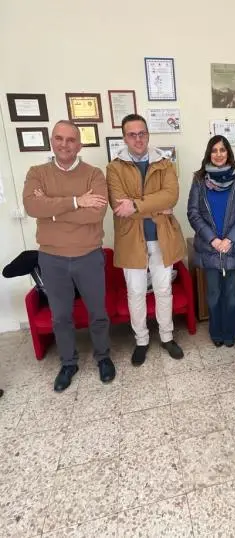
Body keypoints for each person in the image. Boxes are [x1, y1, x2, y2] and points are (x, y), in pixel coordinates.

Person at [22, 120, 115, 391]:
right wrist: (76, 201)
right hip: (52, 258)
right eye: (59, 138)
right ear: (52, 141)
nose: (64, 144)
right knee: (60, 316)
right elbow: (32, 206)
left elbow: (95, 213)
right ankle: (68, 363)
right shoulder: (37, 172)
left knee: (98, 313)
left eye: (70, 140)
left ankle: (103, 357)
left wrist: (51, 211)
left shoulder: (94, 174)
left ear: (79, 144)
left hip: (89, 255)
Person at [106, 114, 186, 366]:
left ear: (148, 134)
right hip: (131, 241)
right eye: (132, 134)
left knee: (164, 290)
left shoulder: (164, 163)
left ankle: (166, 336)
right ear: (124, 137)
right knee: (136, 292)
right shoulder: (114, 167)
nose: (138, 139)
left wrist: (138, 205)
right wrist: (157, 207)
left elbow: (171, 196)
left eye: (142, 133)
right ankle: (141, 341)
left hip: (163, 238)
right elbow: (119, 206)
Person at [187, 136, 235, 347]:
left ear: (228, 153)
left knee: (231, 295)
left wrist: (230, 239)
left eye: (222, 150)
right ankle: (216, 331)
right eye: (214, 150)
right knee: (214, 294)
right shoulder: (199, 180)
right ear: (209, 153)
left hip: (233, 248)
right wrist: (213, 240)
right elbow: (193, 213)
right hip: (210, 248)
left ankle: (230, 332)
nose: (218, 154)